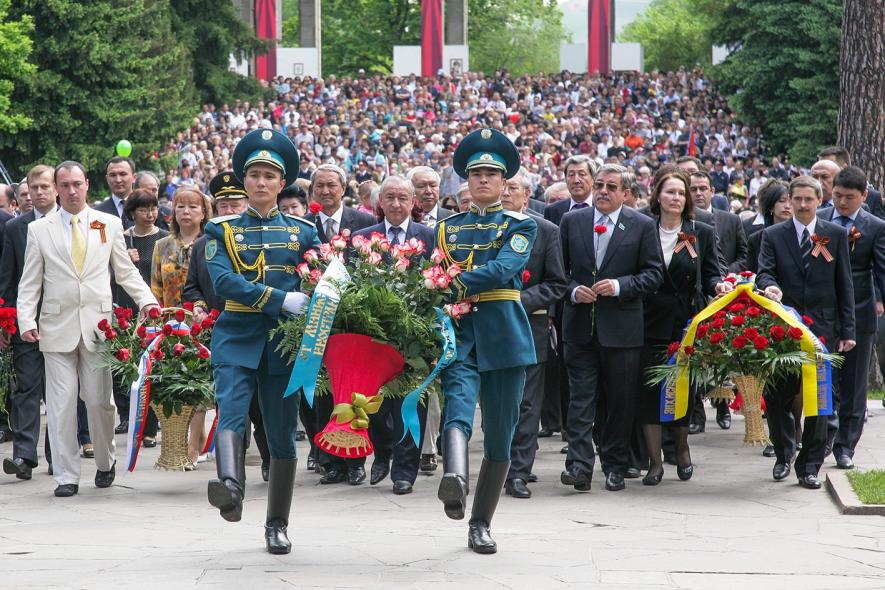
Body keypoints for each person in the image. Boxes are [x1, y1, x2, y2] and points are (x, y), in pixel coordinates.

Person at [204, 128, 320, 554]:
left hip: (283, 344)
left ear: (281, 182)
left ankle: (277, 524)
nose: (260, 182)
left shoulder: (304, 232)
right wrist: (279, 299)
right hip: (237, 335)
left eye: (269, 176)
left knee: (282, 435)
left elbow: (321, 278)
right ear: (244, 180)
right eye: (254, 174)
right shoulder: (221, 230)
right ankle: (230, 486)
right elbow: (223, 282)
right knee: (232, 411)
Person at [17, 161, 159, 497]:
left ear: (87, 185)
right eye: (64, 185)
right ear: (56, 188)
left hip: (98, 327)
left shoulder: (108, 223)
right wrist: (26, 320)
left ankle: (106, 461)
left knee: (98, 401)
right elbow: (30, 281)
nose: (71, 191)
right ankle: (66, 475)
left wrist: (148, 301)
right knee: (61, 405)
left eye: (76, 184)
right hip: (56, 326)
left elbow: (125, 272)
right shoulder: (39, 230)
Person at [435, 128, 537, 555]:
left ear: (504, 182)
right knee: (457, 408)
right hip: (460, 333)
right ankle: (455, 480)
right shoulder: (446, 228)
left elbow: (502, 269)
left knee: (499, 434)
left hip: (504, 336)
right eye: (475, 173)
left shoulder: (520, 224)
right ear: (466, 179)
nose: (482, 179)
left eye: (491, 174)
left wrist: (447, 284)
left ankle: (481, 523)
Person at [559, 163, 664, 493]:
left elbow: (653, 274)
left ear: (626, 193)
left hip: (622, 331)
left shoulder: (641, 225)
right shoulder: (572, 221)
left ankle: (615, 465)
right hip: (579, 329)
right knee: (580, 401)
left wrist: (619, 286)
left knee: (619, 402)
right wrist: (574, 291)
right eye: (600, 185)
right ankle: (579, 466)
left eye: (611, 187)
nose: (603, 191)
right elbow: (559, 272)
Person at [756, 175, 856, 489]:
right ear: (789, 200)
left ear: (819, 200)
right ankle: (784, 453)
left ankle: (809, 465)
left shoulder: (835, 235)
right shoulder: (773, 235)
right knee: (778, 399)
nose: (801, 205)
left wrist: (848, 329)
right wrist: (770, 286)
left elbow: (844, 284)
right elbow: (764, 272)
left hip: (822, 330)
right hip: (784, 330)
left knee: (820, 402)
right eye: (796, 199)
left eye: (808, 199)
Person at [639, 167, 729, 485]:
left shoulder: (699, 231)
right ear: (658, 196)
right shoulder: (643, 227)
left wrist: (718, 285)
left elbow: (712, 271)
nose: (676, 198)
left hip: (684, 322)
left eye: (681, 193)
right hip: (647, 320)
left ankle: (681, 448)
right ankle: (654, 463)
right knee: (648, 391)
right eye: (670, 192)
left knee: (682, 390)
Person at [353, 176, 435, 495]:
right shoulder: (362, 238)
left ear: (413, 202)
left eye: (403, 198)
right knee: (378, 405)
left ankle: (404, 471)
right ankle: (383, 450)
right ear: (380, 202)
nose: (397, 204)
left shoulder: (429, 237)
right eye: (390, 197)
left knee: (411, 404)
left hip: (415, 336)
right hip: (374, 336)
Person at [307, 163, 375, 485]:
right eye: (319, 186)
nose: (325, 191)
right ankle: (329, 460)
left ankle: (355, 459)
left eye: (331, 185)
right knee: (322, 391)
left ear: (343, 189)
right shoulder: (304, 226)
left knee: (353, 390)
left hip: (354, 319)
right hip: (317, 320)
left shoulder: (363, 222)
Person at [501, 169, 567, 499]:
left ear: (527, 196)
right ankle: (496, 465)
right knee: (498, 403)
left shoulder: (546, 231)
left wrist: (516, 300)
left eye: (512, 187)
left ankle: (518, 472)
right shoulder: (480, 228)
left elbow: (557, 283)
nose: (504, 192)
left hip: (530, 326)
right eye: (502, 186)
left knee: (527, 404)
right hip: (488, 329)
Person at [817, 166, 885, 469]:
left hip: (859, 311)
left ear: (864, 196)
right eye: (838, 196)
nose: (842, 203)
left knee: (855, 384)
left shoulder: (875, 227)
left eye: (850, 197)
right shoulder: (819, 219)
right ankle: (822, 437)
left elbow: (882, 271)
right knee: (823, 379)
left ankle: (846, 446)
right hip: (823, 312)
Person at [0, 165, 58, 480]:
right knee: (26, 388)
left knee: (60, 391)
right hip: (27, 321)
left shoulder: (70, 223)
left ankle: (58, 454)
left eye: (44, 186)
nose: (38, 192)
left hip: (62, 320)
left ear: (55, 188)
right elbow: (7, 279)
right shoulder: (15, 228)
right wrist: (6, 322)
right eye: (33, 188)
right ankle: (23, 455)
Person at [151, 186, 211, 466]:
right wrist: (156, 322)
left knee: (198, 383)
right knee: (179, 384)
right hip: (171, 324)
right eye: (180, 206)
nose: (186, 212)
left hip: (202, 321)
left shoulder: (211, 243)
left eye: (193, 206)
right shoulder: (162, 245)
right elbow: (156, 287)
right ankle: (194, 440)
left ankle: (192, 448)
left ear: (204, 212)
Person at [120, 189, 169, 448]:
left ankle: (150, 427)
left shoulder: (164, 238)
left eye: (153, 208)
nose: (150, 214)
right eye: (143, 209)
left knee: (152, 368)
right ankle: (131, 421)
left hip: (156, 311)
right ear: (132, 212)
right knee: (129, 369)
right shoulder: (122, 239)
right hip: (128, 310)